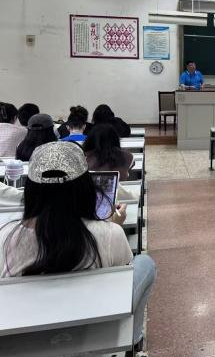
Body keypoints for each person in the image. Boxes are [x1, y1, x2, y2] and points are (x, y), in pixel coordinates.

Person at [0, 141, 156, 347]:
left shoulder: (7, 236)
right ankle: (134, 338)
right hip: (94, 327)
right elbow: (120, 280)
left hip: (21, 336)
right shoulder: (109, 234)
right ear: (85, 187)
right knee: (145, 263)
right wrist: (111, 227)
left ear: (30, 191)